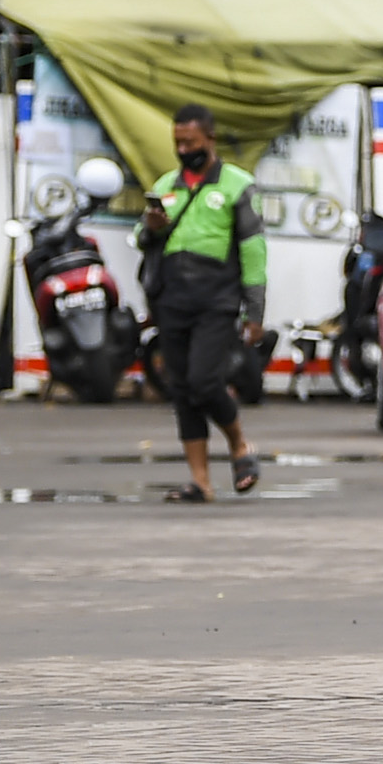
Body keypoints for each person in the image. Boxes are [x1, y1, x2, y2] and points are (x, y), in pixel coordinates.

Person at [125, 105, 264, 502]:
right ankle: (200, 482)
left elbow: (254, 251)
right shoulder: (167, 185)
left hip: (216, 301)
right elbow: (140, 237)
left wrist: (255, 311)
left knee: (205, 383)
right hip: (171, 301)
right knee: (182, 389)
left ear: (210, 140)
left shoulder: (237, 185)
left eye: (191, 142)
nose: (184, 149)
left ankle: (239, 444)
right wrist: (150, 228)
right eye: (178, 143)